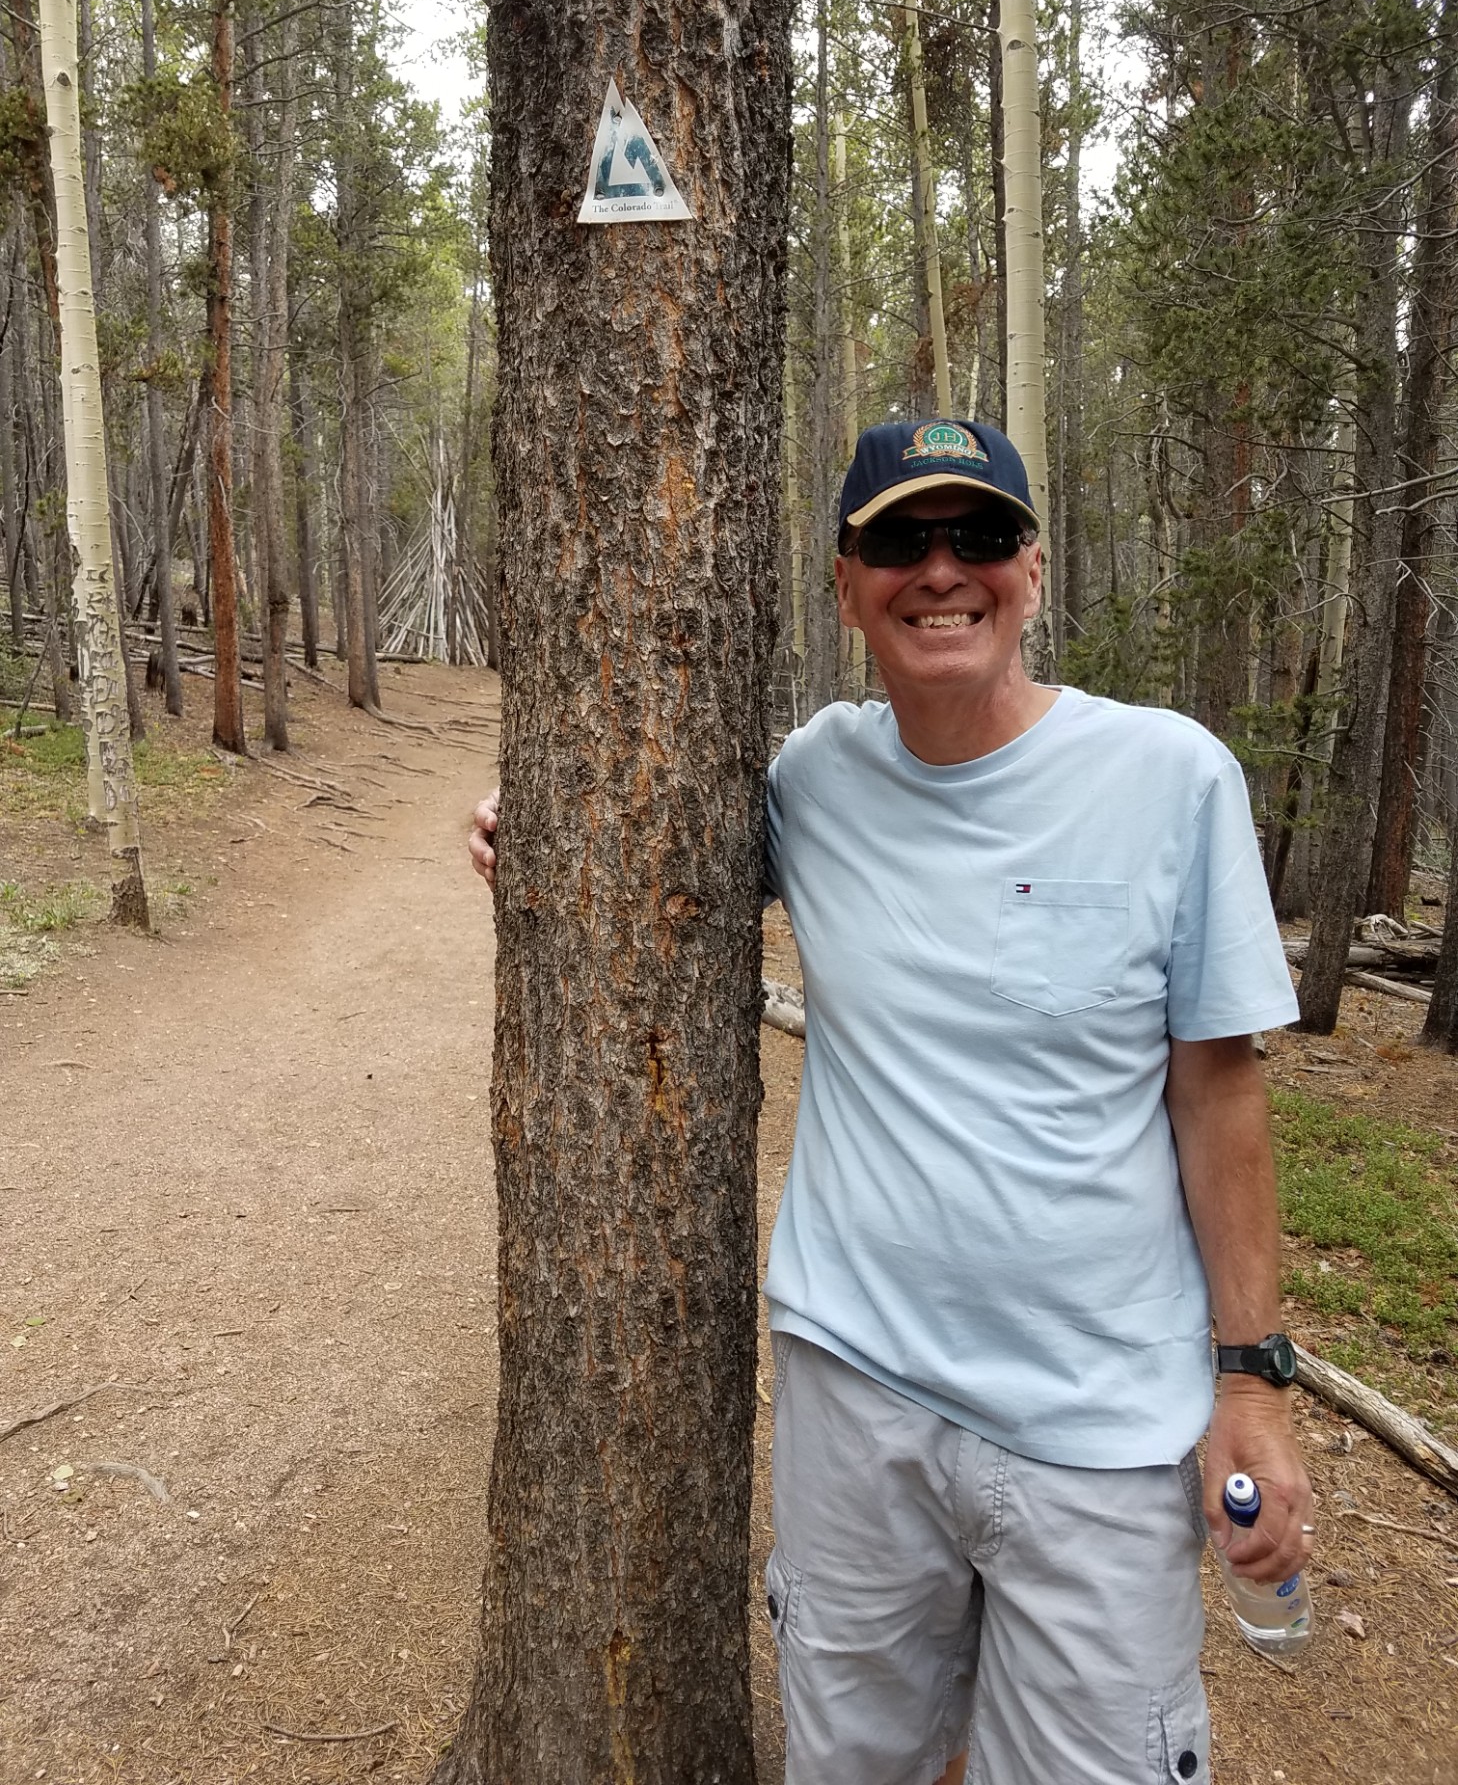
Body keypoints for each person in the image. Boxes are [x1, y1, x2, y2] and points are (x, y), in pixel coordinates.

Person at [470, 417, 1315, 1785]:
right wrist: (538, 814)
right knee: (851, 1764)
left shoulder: (1169, 779)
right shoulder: (818, 778)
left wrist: (1250, 1383)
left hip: (1100, 1427)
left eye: (977, 537)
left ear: (1029, 571)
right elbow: (647, 832)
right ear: (846, 579)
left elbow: (1219, 1094)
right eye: (899, 542)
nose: (941, 572)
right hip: (855, 1396)